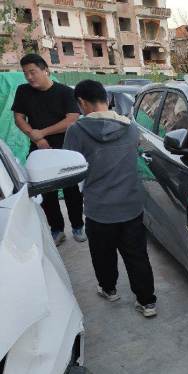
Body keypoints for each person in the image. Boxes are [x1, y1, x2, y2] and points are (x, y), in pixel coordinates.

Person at [63, 79, 157, 318]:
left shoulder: (76, 131)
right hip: (131, 205)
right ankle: (147, 302)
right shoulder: (131, 128)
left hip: (99, 208)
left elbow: (70, 169)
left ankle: (109, 289)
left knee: (102, 254)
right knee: (137, 255)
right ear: (106, 99)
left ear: (82, 102)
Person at [12, 53, 85, 246]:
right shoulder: (23, 91)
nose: (29, 77)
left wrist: (42, 133)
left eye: (32, 72)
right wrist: (35, 138)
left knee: (71, 190)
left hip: (65, 147)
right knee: (46, 192)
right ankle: (57, 229)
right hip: (38, 149)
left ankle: (78, 226)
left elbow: (72, 119)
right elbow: (19, 118)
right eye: (25, 73)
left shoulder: (64, 92)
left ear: (46, 70)